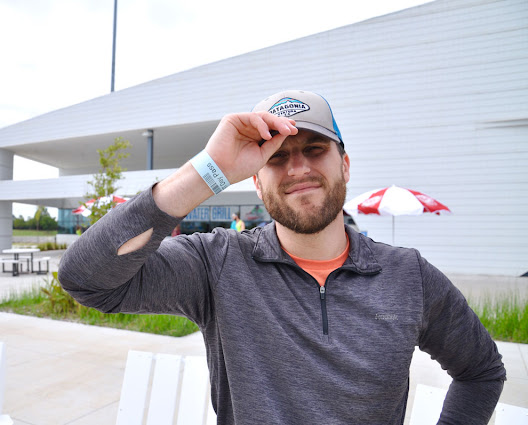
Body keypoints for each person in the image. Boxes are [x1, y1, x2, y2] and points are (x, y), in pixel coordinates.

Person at [58, 90, 505, 424]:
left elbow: (481, 371)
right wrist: (209, 169)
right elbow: (87, 279)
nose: (297, 169)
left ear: (344, 165)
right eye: (277, 157)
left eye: (314, 149)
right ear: (256, 181)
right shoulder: (216, 264)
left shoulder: (408, 275)